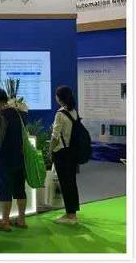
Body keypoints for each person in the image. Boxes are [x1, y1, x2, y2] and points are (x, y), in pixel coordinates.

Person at [0, 88, 27, 231]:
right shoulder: (18, 113)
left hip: (4, 158)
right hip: (19, 156)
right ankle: (21, 219)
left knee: (5, 189)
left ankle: (5, 222)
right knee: (19, 189)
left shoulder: (0, 116)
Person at [49, 85, 80, 225]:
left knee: (65, 183)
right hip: (72, 151)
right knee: (71, 182)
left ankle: (70, 215)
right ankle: (72, 212)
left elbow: (55, 136)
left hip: (61, 153)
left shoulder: (60, 113)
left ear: (59, 98)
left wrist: (50, 151)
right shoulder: (73, 111)